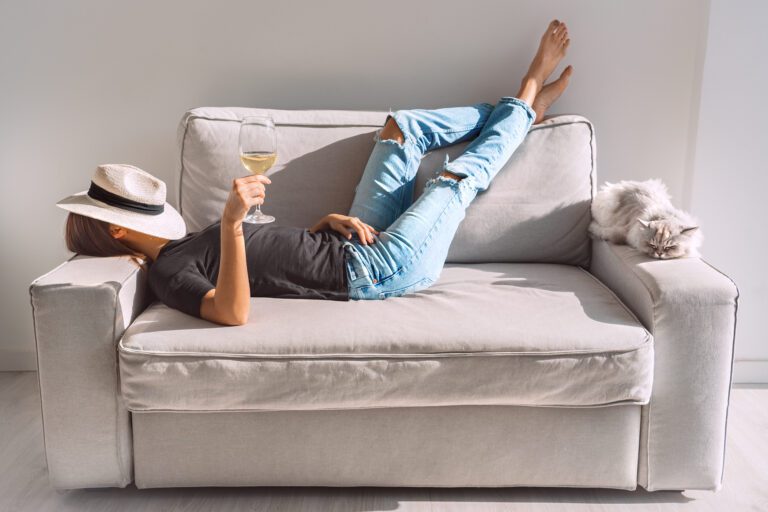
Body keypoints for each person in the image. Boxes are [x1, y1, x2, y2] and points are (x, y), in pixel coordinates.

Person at [58, 19, 572, 326]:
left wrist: (320, 226)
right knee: (452, 182)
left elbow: (278, 262)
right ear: (121, 229)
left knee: (401, 128)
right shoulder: (170, 274)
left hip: (347, 243)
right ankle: (526, 91)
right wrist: (233, 224)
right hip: (375, 271)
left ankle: (519, 115)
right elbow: (232, 313)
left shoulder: (183, 247)